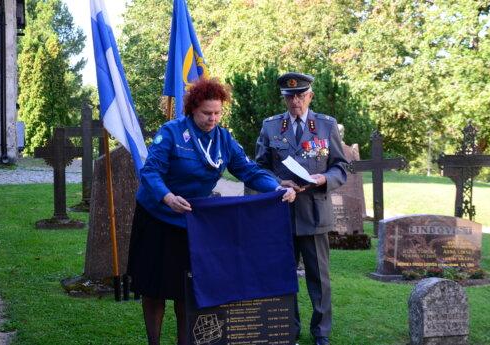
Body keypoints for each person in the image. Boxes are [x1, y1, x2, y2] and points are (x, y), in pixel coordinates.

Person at [127, 78, 296, 345]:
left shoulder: (224, 139)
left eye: (217, 113)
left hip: (192, 222)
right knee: (154, 288)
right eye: (207, 113)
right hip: (157, 217)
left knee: (186, 289)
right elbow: (150, 172)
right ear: (193, 108)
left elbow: (248, 171)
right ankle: (154, 342)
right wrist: (168, 197)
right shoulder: (171, 133)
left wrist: (275, 188)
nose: (212, 118)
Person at [255, 72, 348, 345]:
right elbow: (259, 167)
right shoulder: (271, 127)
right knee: (284, 276)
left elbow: (341, 166)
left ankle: (321, 333)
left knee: (319, 278)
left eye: (300, 95)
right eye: (290, 96)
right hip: (281, 213)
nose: (295, 101)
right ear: (284, 98)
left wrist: (324, 179)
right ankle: (288, 330)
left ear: (310, 96)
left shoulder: (326, 126)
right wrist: (276, 182)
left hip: (315, 212)